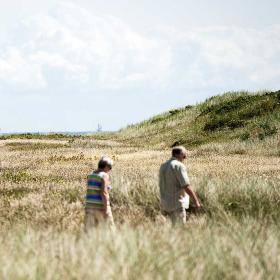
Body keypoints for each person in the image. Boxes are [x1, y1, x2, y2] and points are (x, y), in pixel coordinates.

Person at [159, 146, 201, 225]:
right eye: (184, 155)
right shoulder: (179, 166)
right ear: (179, 154)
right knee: (180, 231)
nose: (185, 158)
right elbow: (186, 186)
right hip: (177, 204)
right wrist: (196, 201)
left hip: (164, 204)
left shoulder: (163, 166)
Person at [84, 156, 115, 232]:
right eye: (110, 167)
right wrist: (105, 209)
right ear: (106, 166)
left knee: (89, 231)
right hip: (100, 206)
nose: (110, 169)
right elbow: (104, 193)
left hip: (89, 206)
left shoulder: (90, 175)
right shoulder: (104, 175)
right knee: (111, 229)